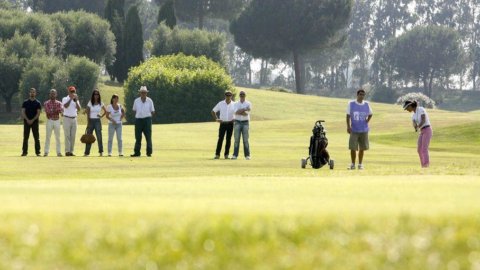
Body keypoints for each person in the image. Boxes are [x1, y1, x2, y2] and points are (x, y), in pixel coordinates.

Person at [346, 89, 373, 170]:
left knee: (362, 148)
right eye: (360, 94)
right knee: (353, 148)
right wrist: (348, 126)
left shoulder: (367, 104)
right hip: (354, 129)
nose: (361, 96)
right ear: (357, 95)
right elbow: (348, 116)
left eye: (363, 95)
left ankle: (360, 164)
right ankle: (353, 164)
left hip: (364, 130)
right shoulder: (351, 104)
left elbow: (371, 114)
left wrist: (367, 121)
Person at [403, 100, 433, 168]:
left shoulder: (421, 109)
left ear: (410, 106)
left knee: (424, 149)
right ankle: (423, 165)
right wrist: (415, 127)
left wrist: (418, 126)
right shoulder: (413, 115)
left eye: (407, 108)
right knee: (419, 150)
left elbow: (423, 119)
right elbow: (414, 123)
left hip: (427, 129)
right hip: (422, 131)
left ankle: (426, 165)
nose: (407, 110)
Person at [131, 86, 155, 157]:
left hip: (147, 120)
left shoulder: (150, 101)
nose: (143, 94)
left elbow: (153, 111)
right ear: (140, 93)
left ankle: (149, 152)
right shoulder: (136, 101)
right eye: (142, 92)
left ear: (146, 93)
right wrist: (138, 116)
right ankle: (137, 152)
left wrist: (148, 117)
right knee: (138, 137)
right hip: (138, 120)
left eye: (144, 92)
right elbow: (134, 110)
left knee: (148, 137)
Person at [211, 90, 235, 159]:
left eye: (230, 95)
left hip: (230, 123)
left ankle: (226, 154)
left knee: (228, 139)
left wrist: (235, 118)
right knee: (220, 139)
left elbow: (237, 113)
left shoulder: (234, 104)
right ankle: (217, 154)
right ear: (225, 96)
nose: (228, 97)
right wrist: (216, 119)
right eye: (227, 95)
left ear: (231, 96)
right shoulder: (221, 103)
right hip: (223, 123)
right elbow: (213, 111)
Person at [84, 89, 106, 156]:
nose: (96, 95)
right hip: (91, 121)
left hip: (97, 121)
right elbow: (87, 112)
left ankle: (101, 152)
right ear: (93, 95)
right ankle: (86, 153)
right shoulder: (90, 102)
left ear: (99, 95)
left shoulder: (101, 103)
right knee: (89, 137)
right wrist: (88, 122)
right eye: (95, 94)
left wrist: (101, 116)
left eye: (97, 94)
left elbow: (106, 111)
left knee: (99, 136)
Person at [21, 88, 42, 156]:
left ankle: (38, 152)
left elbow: (38, 113)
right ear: (29, 93)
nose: (32, 93)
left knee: (36, 138)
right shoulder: (25, 102)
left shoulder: (38, 103)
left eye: (33, 92)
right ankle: (24, 152)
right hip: (26, 122)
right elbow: (23, 112)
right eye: (31, 92)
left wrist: (32, 120)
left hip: (35, 122)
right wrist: (27, 120)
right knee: (26, 137)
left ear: (35, 93)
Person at [232, 90, 252, 160]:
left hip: (245, 122)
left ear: (245, 95)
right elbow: (236, 112)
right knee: (236, 139)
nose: (242, 95)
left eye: (243, 94)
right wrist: (244, 109)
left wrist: (240, 111)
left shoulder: (249, 103)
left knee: (246, 140)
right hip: (237, 122)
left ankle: (247, 155)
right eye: (241, 94)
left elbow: (246, 114)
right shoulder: (235, 103)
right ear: (239, 95)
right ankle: (235, 155)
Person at [43, 89, 63, 157]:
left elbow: (60, 110)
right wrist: (55, 110)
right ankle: (46, 152)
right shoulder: (46, 103)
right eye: (51, 93)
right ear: (49, 94)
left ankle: (59, 152)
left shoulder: (59, 103)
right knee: (48, 137)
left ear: (56, 94)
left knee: (58, 137)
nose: (52, 95)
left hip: (57, 120)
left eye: (54, 93)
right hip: (50, 121)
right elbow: (48, 112)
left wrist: (53, 110)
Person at [62, 86, 81, 156]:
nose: (73, 93)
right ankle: (67, 151)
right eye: (71, 92)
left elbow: (79, 109)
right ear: (68, 92)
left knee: (73, 136)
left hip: (74, 119)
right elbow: (65, 106)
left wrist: (76, 101)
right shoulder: (65, 98)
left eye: (74, 91)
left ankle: (71, 151)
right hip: (66, 118)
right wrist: (70, 99)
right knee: (67, 136)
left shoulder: (76, 99)